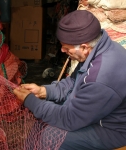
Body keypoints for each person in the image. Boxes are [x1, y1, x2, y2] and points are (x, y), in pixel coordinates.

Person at [13, 10, 126, 150]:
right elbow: (72, 82)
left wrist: (30, 101)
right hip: (94, 115)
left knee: (50, 136)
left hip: (113, 130)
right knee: (43, 120)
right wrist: (43, 91)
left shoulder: (101, 77)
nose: (62, 50)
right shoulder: (97, 49)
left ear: (84, 47)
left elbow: (70, 119)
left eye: (66, 48)